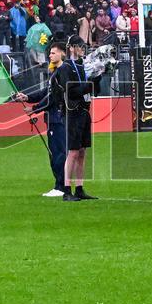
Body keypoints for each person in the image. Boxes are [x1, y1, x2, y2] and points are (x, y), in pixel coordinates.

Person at [16, 43, 69, 197]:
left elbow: (53, 97)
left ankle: (61, 186)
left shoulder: (62, 73)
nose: (50, 55)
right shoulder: (55, 73)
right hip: (53, 119)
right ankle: (59, 185)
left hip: (58, 118)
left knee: (59, 153)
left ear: (62, 54)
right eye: (50, 53)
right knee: (54, 153)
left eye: (53, 53)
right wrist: (28, 97)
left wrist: (34, 109)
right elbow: (45, 92)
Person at [55, 35, 100, 201]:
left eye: (83, 46)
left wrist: (98, 76)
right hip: (72, 112)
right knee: (73, 152)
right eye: (79, 46)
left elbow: (94, 90)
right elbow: (71, 90)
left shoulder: (83, 66)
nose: (82, 49)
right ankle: (67, 190)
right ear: (71, 48)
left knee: (82, 152)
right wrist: (88, 85)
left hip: (84, 110)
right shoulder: (66, 67)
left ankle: (79, 188)